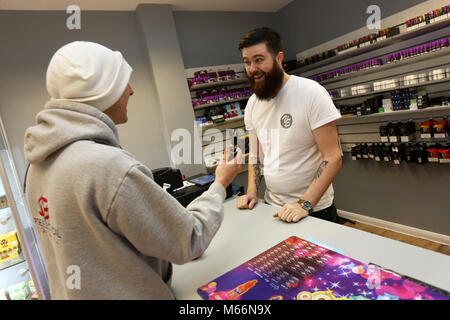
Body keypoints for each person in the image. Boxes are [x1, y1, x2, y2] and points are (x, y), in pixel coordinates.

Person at [23, 41, 241, 299]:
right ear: (102, 92)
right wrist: (220, 183)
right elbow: (189, 238)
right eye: (123, 83)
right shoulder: (108, 167)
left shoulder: (36, 165)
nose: (131, 91)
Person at [236, 27, 343, 223]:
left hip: (314, 210)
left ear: (278, 58)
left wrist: (304, 204)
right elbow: (256, 156)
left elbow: (333, 156)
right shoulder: (252, 104)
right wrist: (252, 191)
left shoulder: (311, 93)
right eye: (247, 62)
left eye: (259, 60)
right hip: (272, 207)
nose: (252, 69)